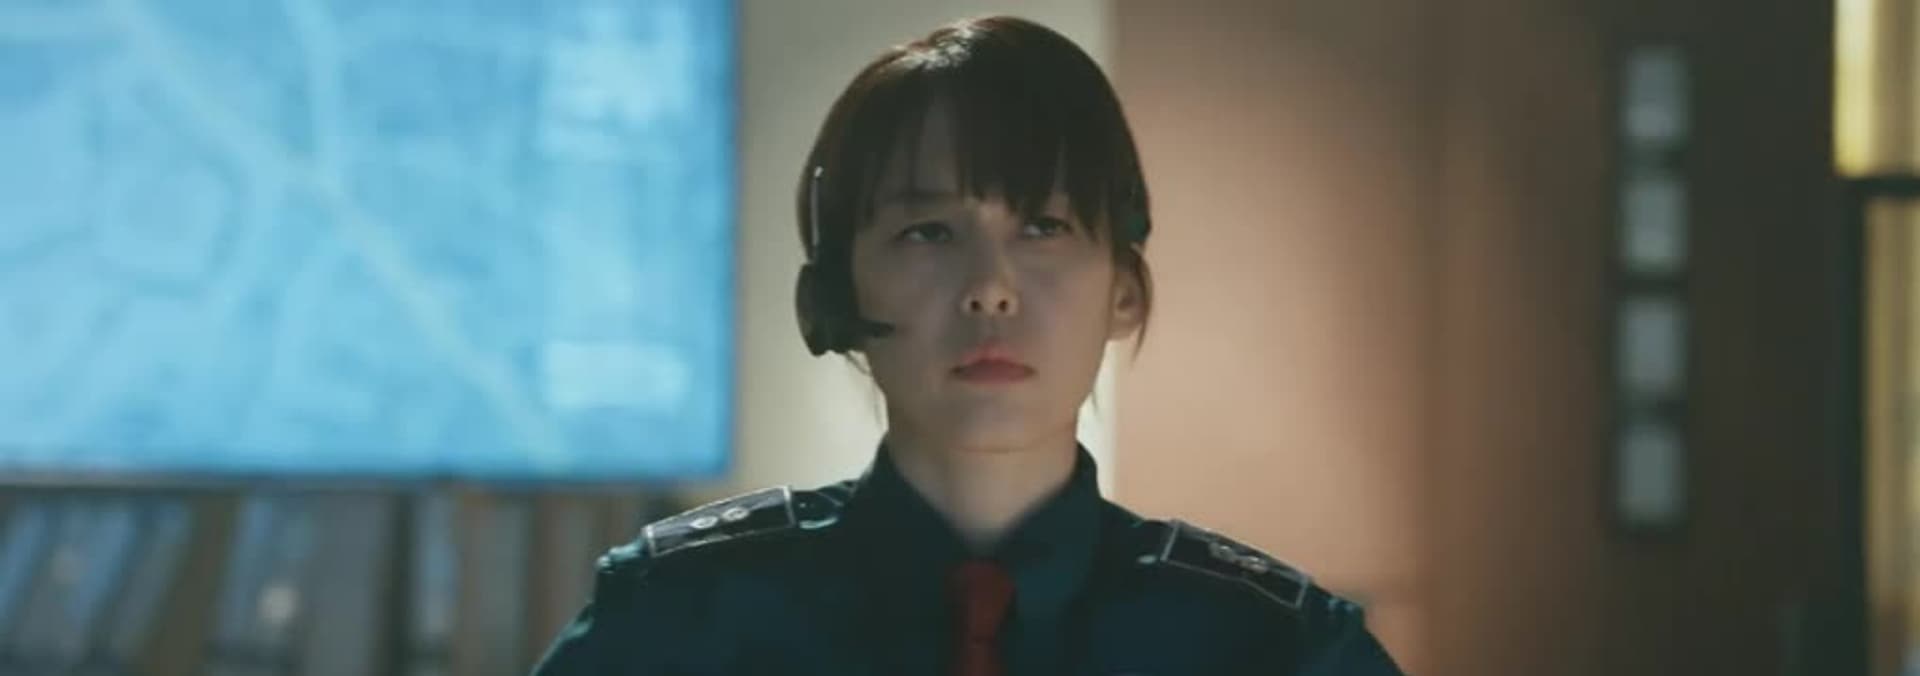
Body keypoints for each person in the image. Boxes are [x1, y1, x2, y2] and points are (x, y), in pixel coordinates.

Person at [531, 15, 1403, 676]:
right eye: (928, 233)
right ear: (835, 297)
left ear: (1124, 291)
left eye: (1044, 226)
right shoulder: (678, 617)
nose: (991, 286)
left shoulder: (1271, 644)